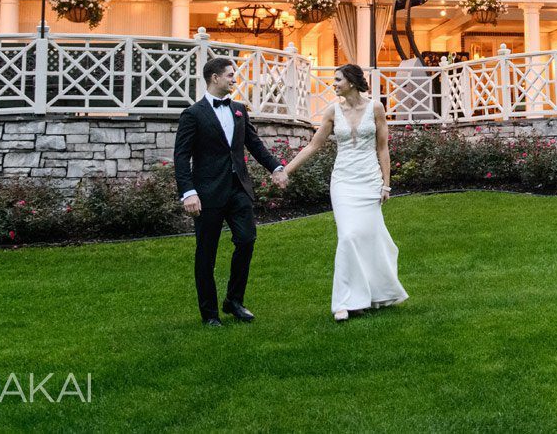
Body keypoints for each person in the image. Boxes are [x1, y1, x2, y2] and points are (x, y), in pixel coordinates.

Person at [284, 63, 408, 321]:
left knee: (366, 237)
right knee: (348, 236)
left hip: (368, 179)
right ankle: (343, 302)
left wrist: (386, 183)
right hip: (343, 181)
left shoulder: (376, 108)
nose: (334, 84)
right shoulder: (332, 111)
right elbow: (314, 146)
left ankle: (365, 297)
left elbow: (383, 148)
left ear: (351, 82)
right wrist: (286, 170)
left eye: (338, 80)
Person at [174, 57, 289, 326]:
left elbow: (254, 144)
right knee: (206, 253)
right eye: (229, 75)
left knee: (247, 240)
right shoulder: (193, 114)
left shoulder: (239, 109)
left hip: (238, 189)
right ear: (214, 78)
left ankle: (234, 301)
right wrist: (188, 192)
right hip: (207, 192)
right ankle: (210, 314)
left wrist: (276, 168)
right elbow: (181, 157)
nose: (234, 79)